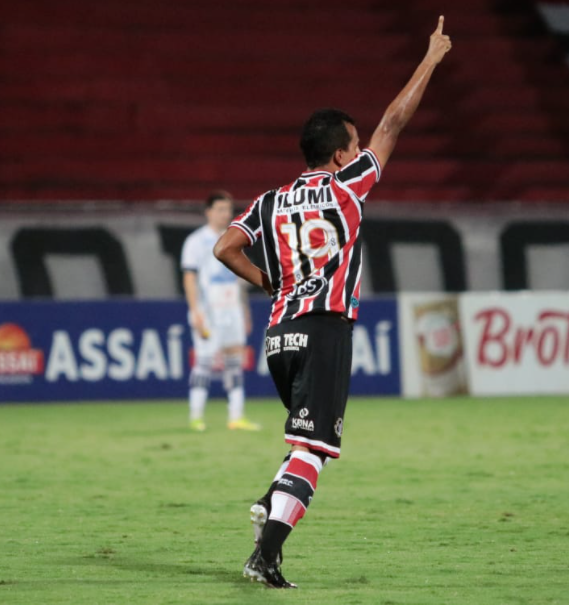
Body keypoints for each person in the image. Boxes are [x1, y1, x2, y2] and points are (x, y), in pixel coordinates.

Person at [213, 16, 452, 588]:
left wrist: (266, 282)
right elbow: (395, 121)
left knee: (302, 439)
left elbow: (226, 247)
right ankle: (265, 554)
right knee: (315, 450)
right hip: (323, 329)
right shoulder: (348, 185)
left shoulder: (271, 201)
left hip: (278, 336)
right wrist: (431, 59)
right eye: (355, 140)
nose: (362, 145)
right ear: (343, 155)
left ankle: (270, 502)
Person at [180, 190, 260, 432]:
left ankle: (236, 417)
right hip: (209, 310)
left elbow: (240, 278)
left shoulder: (233, 239)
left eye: (228, 209)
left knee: (234, 361)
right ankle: (196, 417)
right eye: (220, 209)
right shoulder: (196, 241)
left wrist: (244, 310)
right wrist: (195, 310)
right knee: (204, 361)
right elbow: (189, 277)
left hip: (232, 309)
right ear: (209, 212)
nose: (225, 214)